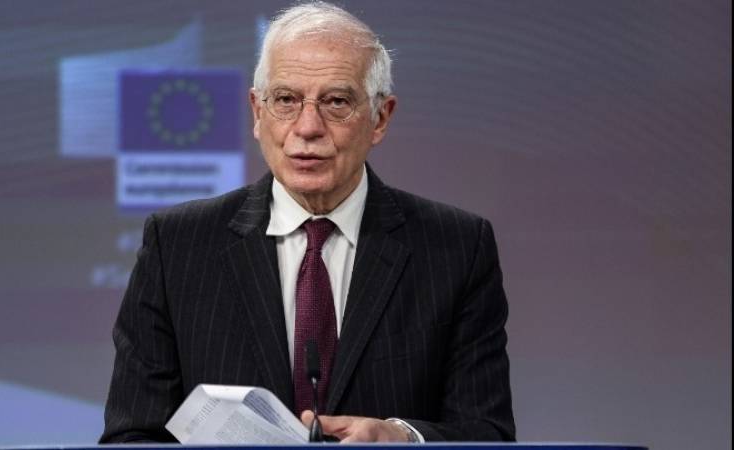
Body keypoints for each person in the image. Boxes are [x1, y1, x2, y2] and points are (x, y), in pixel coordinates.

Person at [101, 1, 514, 443]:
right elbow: (132, 438)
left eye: (336, 102)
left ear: (380, 118)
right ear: (257, 112)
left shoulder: (456, 248)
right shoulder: (177, 247)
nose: (308, 127)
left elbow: (487, 434)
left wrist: (406, 438)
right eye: (286, 100)